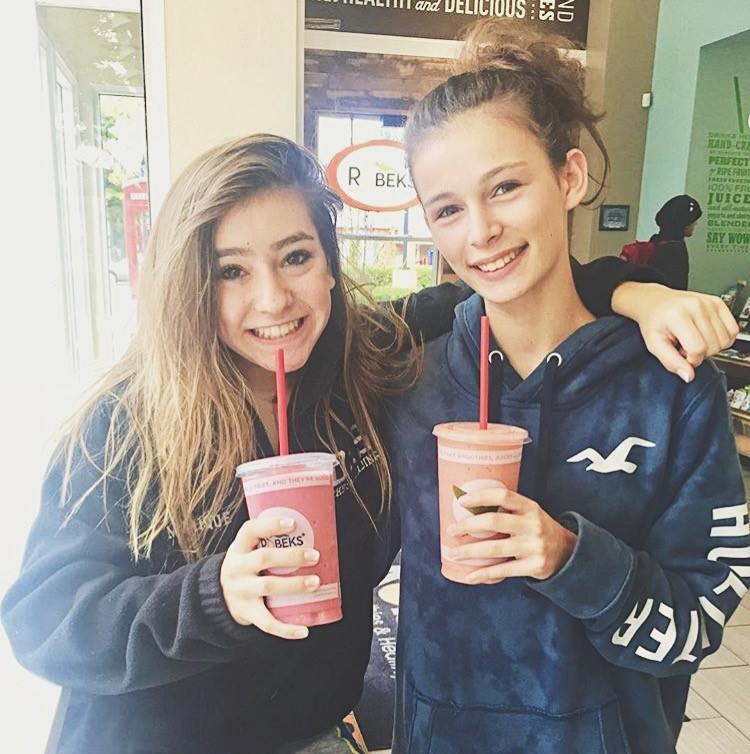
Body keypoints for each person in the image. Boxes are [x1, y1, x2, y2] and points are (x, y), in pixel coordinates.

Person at [0, 132, 733, 754]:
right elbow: (43, 618)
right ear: (187, 283)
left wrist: (635, 291)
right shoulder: (130, 420)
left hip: (315, 734)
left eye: (296, 257)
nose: (273, 299)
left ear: (330, 264)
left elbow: (502, 283)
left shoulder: (363, 368)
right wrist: (215, 595)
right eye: (230, 271)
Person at [387, 19, 747, 754]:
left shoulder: (672, 386)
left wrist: (568, 558)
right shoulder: (412, 379)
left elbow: (695, 626)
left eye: (505, 187)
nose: (480, 231)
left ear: (569, 178)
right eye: (448, 208)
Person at [621, 194, 702, 290]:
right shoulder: (674, 250)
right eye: (692, 221)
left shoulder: (658, 242)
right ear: (683, 224)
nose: (695, 224)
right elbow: (675, 289)